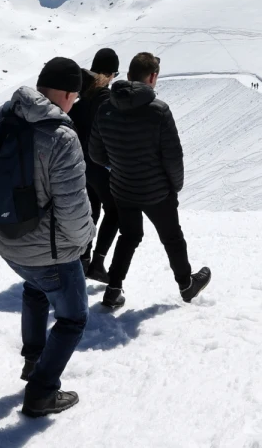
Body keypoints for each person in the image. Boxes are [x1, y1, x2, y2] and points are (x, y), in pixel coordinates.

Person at [0, 57, 94, 417]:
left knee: (35, 289)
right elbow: (73, 207)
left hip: (6, 242)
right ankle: (41, 392)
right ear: (69, 94)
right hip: (51, 252)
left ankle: (32, 361)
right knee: (73, 319)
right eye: (75, 98)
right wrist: (84, 243)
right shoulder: (60, 137)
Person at [90, 53, 211, 310]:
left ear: (129, 74)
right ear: (153, 77)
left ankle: (113, 289)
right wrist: (174, 186)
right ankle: (186, 285)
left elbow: (96, 154)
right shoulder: (159, 111)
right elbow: (173, 157)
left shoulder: (106, 107)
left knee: (129, 236)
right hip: (157, 192)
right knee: (172, 237)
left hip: (122, 188)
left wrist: (119, 167)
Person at [67, 48, 120, 283]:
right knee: (115, 211)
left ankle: (83, 258)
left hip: (81, 167)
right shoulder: (107, 101)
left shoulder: (81, 98)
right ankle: (97, 263)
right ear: (110, 74)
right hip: (100, 167)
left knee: (91, 211)